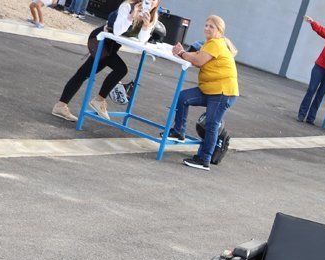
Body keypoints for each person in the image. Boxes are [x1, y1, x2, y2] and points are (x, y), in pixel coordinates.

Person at [52, 0, 159, 122]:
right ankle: (98, 100)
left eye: (154, 0)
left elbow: (141, 41)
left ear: (157, 3)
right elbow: (118, 31)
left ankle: (61, 106)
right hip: (101, 40)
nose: (150, 1)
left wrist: (146, 25)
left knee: (83, 73)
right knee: (119, 69)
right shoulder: (127, 7)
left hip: (111, 46)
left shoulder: (153, 17)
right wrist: (131, 16)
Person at [167, 15, 240, 171]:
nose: (207, 28)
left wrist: (181, 53)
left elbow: (198, 61)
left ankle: (204, 159)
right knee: (183, 97)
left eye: (211, 27)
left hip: (222, 92)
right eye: (206, 25)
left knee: (211, 126)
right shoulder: (211, 43)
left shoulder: (216, 43)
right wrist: (183, 52)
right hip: (211, 89)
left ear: (219, 31)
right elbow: (198, 56)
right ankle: (178, 131)